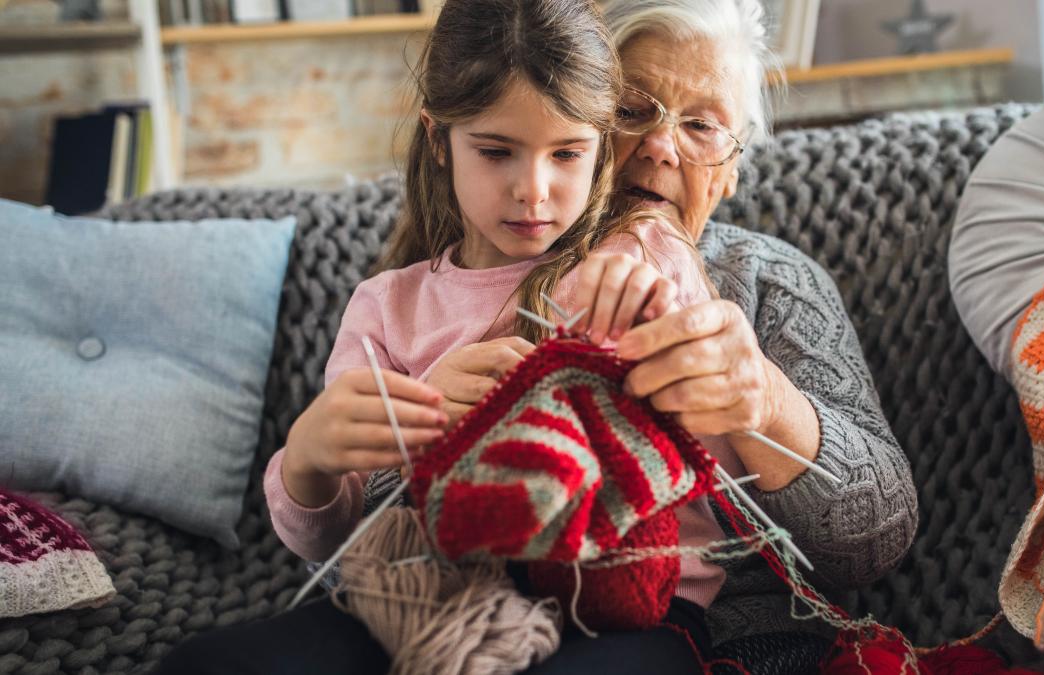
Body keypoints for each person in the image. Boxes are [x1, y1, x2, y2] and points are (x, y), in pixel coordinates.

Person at [153, 1, 728, 673]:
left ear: (601, 148)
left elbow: (714, 442)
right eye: (495, 151)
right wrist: (312, 457)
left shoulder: (637, 256)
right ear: (437, 139)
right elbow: (330, 533)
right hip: (437, 594)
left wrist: (665, 338)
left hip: (631, 603)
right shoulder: (390, 307)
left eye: (567, 153)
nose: (533, 191)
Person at [424, 0, 920, 649]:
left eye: (703, 126)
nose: (661, 146)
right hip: (485, 624)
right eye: (632, 111)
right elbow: (374, 527)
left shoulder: (769, 281)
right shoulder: (494, 254)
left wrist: (766, 403)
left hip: (717, 641)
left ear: (734, 167)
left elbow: (876, 540)